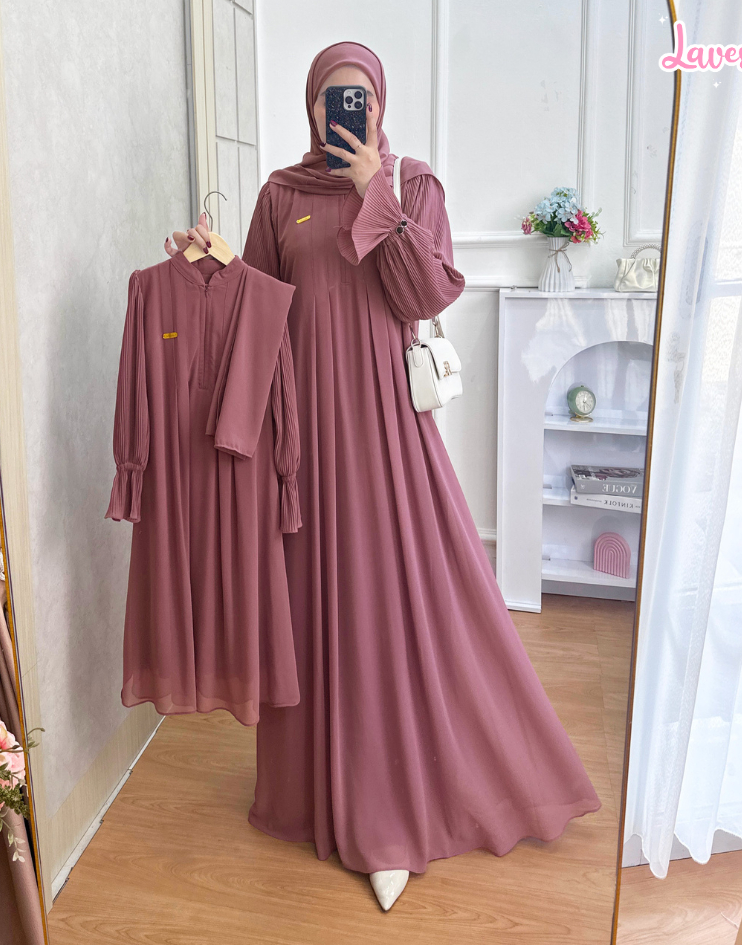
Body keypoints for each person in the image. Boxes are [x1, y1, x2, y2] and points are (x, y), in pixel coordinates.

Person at [178, 40, 601, 912]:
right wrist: (208, 268)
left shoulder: (414, 185)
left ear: (379, 105)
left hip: (385, 432)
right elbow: (257, 311)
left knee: (401, 602)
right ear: (309, 107)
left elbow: (427, 294)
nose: (345, 112)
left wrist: (379, 192)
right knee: (313, 604)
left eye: (359, 99)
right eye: (330, 99)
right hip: (305, 440)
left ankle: (391, 808)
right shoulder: (280, 196)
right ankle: (316, 793)